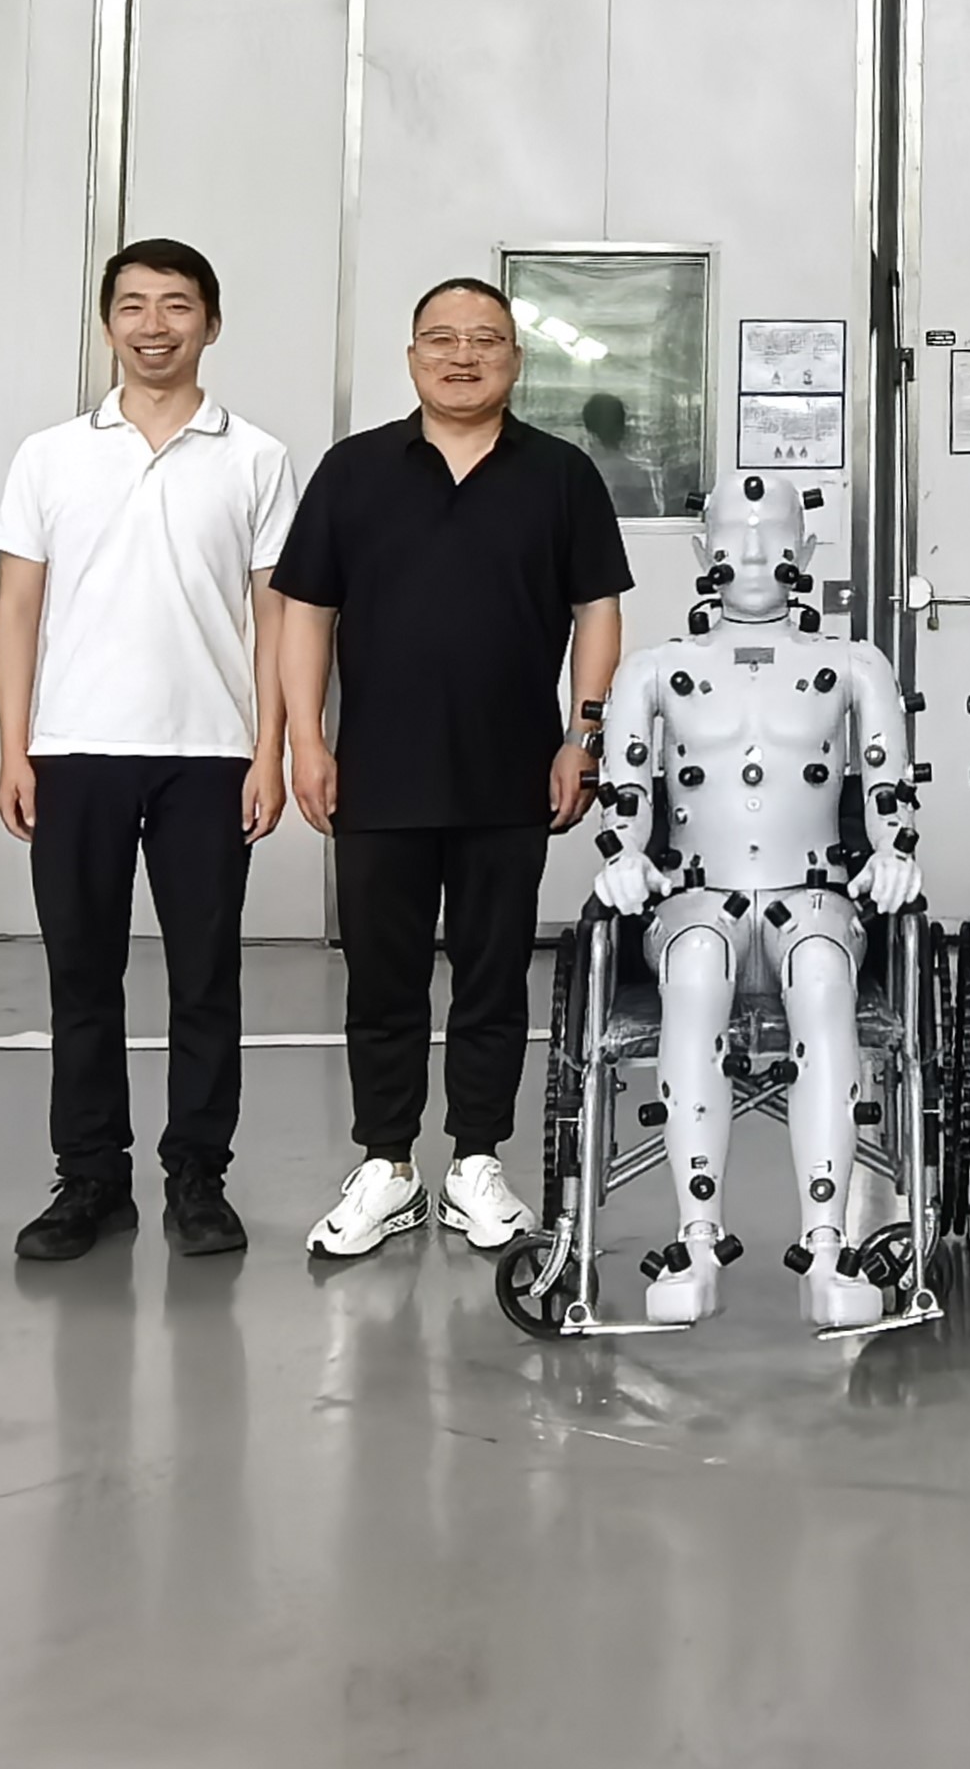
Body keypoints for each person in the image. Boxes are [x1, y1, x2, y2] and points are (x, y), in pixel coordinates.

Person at [279, 276, 629, 1259]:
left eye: (484, 340)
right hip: (376, 773)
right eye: (442, 338)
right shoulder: (354, 470)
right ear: (412, 357)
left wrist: (583, 735)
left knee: (492, 977)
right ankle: (386, 1165)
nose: (462, 356)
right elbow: (306, 610)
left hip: (509, 773)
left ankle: (478, 1160)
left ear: (515, 359)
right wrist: (307, 737)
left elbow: (597, 609)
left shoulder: (560, 474)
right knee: (380, 982)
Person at [0, 240, 297, 1263]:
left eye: (176, 305)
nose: (153, 325)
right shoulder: (50, 455)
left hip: (209, 755)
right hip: (73, 749)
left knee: (205, 976)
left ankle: (198, 1177)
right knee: (82, 975)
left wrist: (269, 750)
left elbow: (277, 616)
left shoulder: (256, 457)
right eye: (132, 305)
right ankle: (90, 1179)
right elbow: (17, 609)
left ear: (212, 321)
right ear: (107, 322)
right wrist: (15, 748)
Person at [589, 471, 921, 1328]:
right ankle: (697, 1241)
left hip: (813, 894)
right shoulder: (654, 669)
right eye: (733, 537)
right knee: (697, 972)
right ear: (704, 550)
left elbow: (889, 785)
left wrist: (893, 852)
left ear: (804, 550)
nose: (752, 554)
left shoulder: (853, 665)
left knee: (824, 982)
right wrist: (624, 855)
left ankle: (828, 1245)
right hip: (697, 895)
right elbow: (625, 791)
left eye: (773, 536)